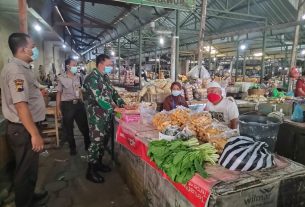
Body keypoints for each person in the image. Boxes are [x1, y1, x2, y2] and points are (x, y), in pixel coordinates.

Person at [1, 33, 48, 207]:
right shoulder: (16, 71)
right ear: (23, 49)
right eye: (33, 47)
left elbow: (26, 95)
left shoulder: (23, 68)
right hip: (23, 129)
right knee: (25, 169)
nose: (35, 50)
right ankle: (24, 203)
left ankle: (29, 196)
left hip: (25, 127)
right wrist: (34, 134)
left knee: (29, 168)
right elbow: (21, 106)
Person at [83, 54, 125, 183]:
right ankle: (90, 170)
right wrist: (114, 109)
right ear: (100, 64)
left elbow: (112, 92)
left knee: (103, 140)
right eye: (108, 65)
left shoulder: (104, 77)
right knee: (96, 142)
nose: (110, 67)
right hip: (96, 116)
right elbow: (98, 99)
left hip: (106, 115)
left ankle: (98, 163)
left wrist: (123, 104)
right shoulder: (92, 78)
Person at [56, 57, 91, 155]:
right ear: (68, 66)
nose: (76, 67)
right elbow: (58, 93)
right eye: (74, 65)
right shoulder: (61, 78)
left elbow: (80, 90)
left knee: (84, 126)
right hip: (67, 105)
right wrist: (58, 108)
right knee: (69, 128)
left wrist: (82, 101)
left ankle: (88, 145)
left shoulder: (79, 77)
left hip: (79, 104)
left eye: (76, 65)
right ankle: (72, 148)